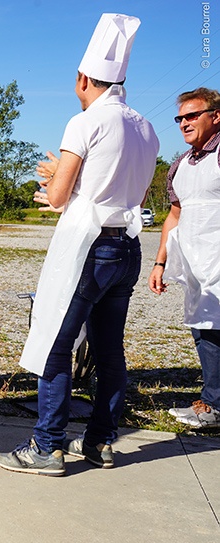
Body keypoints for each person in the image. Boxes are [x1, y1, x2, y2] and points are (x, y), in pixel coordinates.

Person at [0, 13, 159, 475]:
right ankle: (101, 441)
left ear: (84, 77)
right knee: (110, 350)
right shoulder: (147, 128)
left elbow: (62, 194)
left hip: (89, 245)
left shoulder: (84, 122)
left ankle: (46, 447)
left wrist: (50, 188)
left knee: (56, 343)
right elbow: (138, 194)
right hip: (126, 245)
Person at [149, 87, 220, 429]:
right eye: (180, 118)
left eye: (192, 115)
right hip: (195, 265)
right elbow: (174, 216)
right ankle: (211, 402)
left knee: (216, 332)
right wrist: (160, 262)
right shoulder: (180, 165)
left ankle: (214, 405)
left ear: (215, 116)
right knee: (204, 330)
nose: (184, 123)